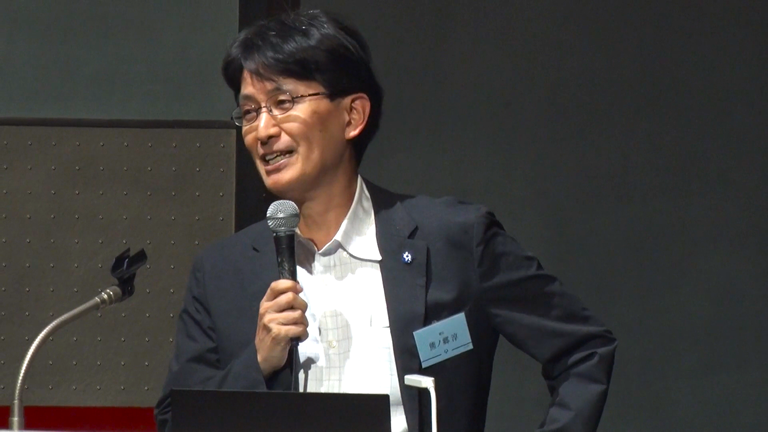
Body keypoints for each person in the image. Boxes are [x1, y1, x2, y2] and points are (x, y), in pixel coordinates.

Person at [155, 9, 617, 432]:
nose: (263, 130)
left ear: (352, 115)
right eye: (250, 111)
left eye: (283, 101)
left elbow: (583, 350)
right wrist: (257, 363)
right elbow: (175, 421)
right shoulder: (222, 272)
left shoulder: (454, 240)